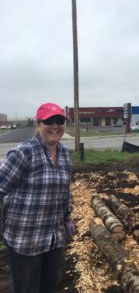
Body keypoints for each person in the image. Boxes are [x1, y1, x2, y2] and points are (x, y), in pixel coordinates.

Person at [0, 103, 76, 293]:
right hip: (26, 240)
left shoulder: (65, 154)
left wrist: (67, 217)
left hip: (53, 237)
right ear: (39, 124)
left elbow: (64, 192)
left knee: (50, 286)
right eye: (49, 121)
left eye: (59, 120)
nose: (55, 126)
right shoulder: (23, 153)